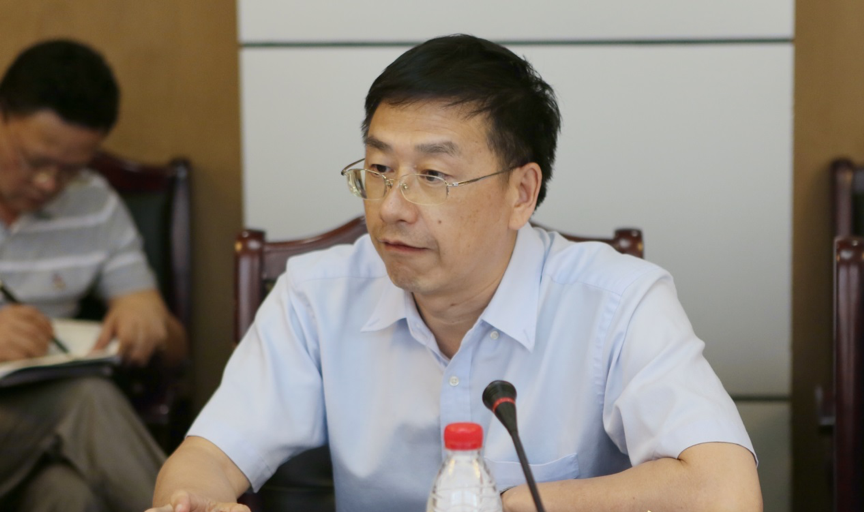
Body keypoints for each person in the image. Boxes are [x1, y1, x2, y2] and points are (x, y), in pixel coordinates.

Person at [151, 34, 761, 512]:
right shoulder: (314, 299)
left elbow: (726, 492)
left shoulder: (619, 303)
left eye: (434, 176)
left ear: (521, 193)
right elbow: (210, 456)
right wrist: (190, 500)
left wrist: (516, 504)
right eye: (380, 169)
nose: (392, 206)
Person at [0, 40, 187, 511]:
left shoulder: (92, 202)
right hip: (62, 411)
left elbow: (176, 350)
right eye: (34, 160)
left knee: (68, 494)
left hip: (31, 437)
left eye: (70, 169)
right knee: (85, 400)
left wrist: (148, 318)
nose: (48, 183)